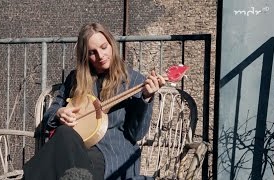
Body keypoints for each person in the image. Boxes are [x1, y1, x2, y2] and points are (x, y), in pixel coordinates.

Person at [22, 22, 166, 180]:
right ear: (85, 56)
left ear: (111, 44)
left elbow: (136, 134)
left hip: (112, 154)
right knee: (64, 133)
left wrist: (146, 98)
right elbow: (50, 114)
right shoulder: (75, 79)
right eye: (92, 52)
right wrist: (59, 113)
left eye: (104, 47)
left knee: (60, 166)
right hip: (75, 148)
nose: (100, 56)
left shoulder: (134, 80)